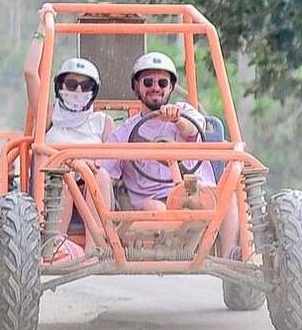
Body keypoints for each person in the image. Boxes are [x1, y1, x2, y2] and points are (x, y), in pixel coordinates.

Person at [99, 52, 240, 259]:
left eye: (162, 82)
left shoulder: (184, 112)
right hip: (154, 199)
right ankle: (162, 257)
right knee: (153, 208)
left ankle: (229, 257)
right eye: (148, 82)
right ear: (136, 86)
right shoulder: (124, 133)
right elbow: (104, 173)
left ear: (171, 87)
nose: (155, 87)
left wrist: (177, 119)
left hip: (192, 189)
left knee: (226, 196)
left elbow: (192, 129)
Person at [42, 57, 115, 259]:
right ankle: (55, 246)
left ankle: (95, 248)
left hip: (91, 185)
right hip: (55, 182)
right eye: (72, 84)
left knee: (100, 175)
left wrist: (89, 164)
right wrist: (41, 38)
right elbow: (31, 75)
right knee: (64, 175)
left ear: (94, 90)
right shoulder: (49, 116)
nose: (78, 91)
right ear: (60, 86)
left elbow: (113, 165)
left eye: (85, 86)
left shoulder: (102, 122)